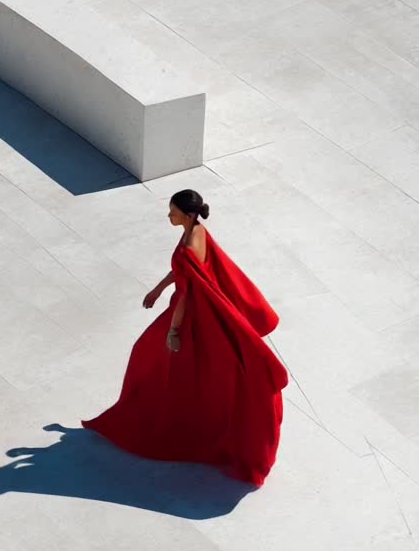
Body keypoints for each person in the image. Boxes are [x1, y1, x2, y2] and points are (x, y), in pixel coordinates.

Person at [82, 189, 289, 486]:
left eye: (173, 212)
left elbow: (189, 293)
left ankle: (167, 424)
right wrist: (159, 288)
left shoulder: (192, 243)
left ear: (188, 215)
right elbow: (182, 272)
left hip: (192, 318)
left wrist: (174, 331)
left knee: (153, 358)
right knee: (157, 360)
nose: (169, 216)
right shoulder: (196, 230)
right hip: (187, 310)